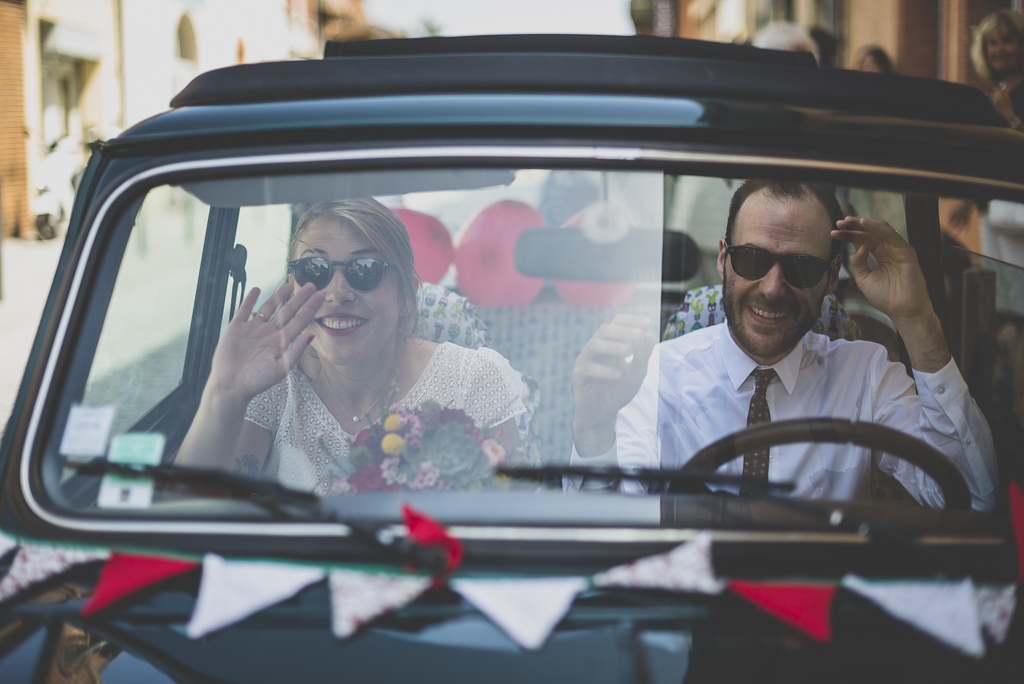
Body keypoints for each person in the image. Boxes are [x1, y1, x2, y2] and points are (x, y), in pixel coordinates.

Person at [569, 180, 998, 511]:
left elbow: (974, 497)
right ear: (723, 259)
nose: (772, 289)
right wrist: (593, 430)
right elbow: (604, 522)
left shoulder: (866, 372)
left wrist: (917, 319)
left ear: (832, 279)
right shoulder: (657, 372)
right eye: (752, 259)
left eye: (800, 267)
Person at [177, 198, 525, 494]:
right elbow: (186, 515)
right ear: (293, 287)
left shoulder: (474, 381)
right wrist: (225, 391)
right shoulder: (270, 385)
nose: (338, 293)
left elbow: (517, 529)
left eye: (365, 269)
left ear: (406, 294)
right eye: (314, 270)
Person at [971, 10, 1024, 130]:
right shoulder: (1001, 90)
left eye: (1007, 41)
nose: (999, 50)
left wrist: (1011, 117)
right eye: (992, 43)